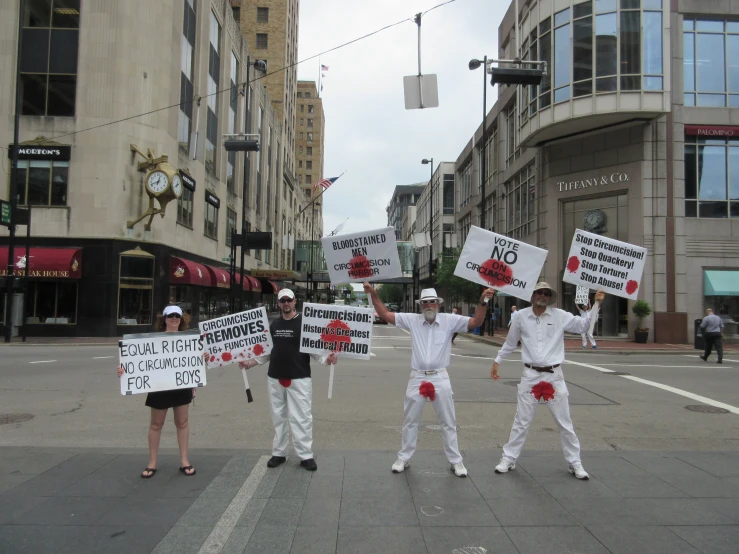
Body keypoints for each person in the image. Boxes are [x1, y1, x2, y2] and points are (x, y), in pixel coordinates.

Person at [365, 283, 495, 477]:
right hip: (417, 376)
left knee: (448, 421)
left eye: (432, 302)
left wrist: (483, 301)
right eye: (425, 303)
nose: (428, 306)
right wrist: (374, 294)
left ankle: (456, 461)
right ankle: (404, 457)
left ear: (438, 304)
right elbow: (385, 315)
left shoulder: (449, 320)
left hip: (440, 376)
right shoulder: (413, 320)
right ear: (420, 305)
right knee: (410, 420)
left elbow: (476, 322)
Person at [491, 282, 606, 480]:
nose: (542, 296)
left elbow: (584, 326)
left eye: (546, 293)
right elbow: (510, 343)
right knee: (521, 421)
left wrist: (596, 305)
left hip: (554, 375)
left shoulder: (559, 315)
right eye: (539, 292)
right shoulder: (520, 316)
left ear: (549, 297)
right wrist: (497, 360)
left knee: (564, 421)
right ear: (533, 294)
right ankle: (508, 458)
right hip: (530, 375)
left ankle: (574, 462)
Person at [239, 289, 337, 471]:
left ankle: (305, 455)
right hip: (275, 377)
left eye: (289, 300)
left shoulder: (304, 323)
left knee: (301, 418)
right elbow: (266, 352)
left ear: (294, 302)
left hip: (299, 377)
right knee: (279, 417)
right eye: (282, 300)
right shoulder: (274, 325)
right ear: (278, 303)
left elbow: (315, 350)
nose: (286, 303)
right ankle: (279, 453)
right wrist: (249, 363)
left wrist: (326, 359)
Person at [117, 305, 197, 478]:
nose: (174, 318)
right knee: (156, 424)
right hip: (158, 386)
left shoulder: (189, 339)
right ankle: (152, 462)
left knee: (182, 423)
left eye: (178, 315)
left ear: (182, 319)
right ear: (164, 319)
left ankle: (184, 460)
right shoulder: (152, 340)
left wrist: (202, 358)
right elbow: (135, 361)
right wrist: (124, 371)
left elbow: (195, 363)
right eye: (171, 316)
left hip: (181, 385)